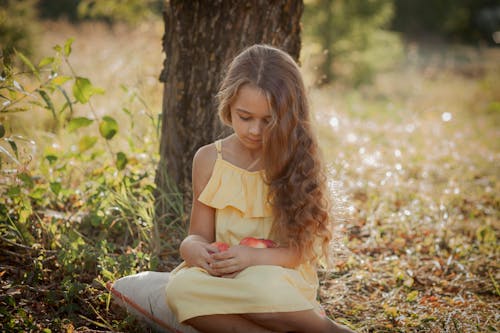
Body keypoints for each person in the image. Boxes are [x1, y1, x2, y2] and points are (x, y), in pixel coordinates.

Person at [165, 44, 354, 333]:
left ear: (289, 115)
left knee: (263, 287)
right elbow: (198, 235)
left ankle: (326, 329)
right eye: (245, 117)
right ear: (228, 106)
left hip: (278, 278)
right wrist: (193, 250)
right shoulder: (208, 159)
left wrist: (252, 258)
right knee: (180, 289)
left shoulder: (297, 160)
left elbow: (299, 252)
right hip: (226, 278)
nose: (255, 130)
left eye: (268, 120)